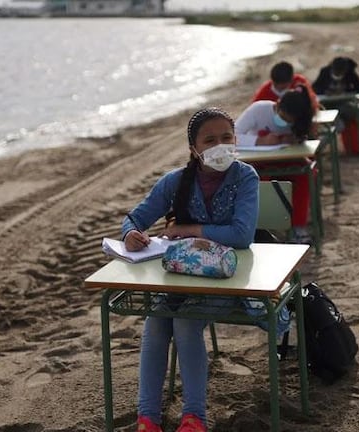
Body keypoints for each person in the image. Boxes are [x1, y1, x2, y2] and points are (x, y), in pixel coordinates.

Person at [122, 107, 287, 432]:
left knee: (184, 322)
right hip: (180, 278)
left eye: (226, 137)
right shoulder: (174, 182)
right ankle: (147, 419)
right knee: (155, 323)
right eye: (210, 140)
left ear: (236, 139)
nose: (220, 145)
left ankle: (194, 417)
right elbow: (134, 218)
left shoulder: (245, 177)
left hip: (228, 281)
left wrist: (188, 230)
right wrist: (130, 234)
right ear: (194, 149)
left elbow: (241, 236)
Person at [234, 85, 315, 243]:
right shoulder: (259, 110)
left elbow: (305, 140)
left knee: (305, 174)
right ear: (277, 105)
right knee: (258, 184)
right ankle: (264, 227)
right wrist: (259, 141)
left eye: (289, 122)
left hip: (286, 161)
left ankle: (299, 227)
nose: (284, 123)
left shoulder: (301, 120)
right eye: (282, 117)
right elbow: (233, 135)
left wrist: (294, 139)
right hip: (258, 161)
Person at [312, 56, 359, 153]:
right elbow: (314, 90)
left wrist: (346, 92)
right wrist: (326, 92)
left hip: (346, 106)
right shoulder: (325, 72)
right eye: (336, 72)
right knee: (339, 126)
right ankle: (317, 149)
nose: (338, 74)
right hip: (329, 109)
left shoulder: (350, 73)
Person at [252, 61, 319, 113]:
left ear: (291, 80)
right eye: (275, 85)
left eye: (282, 87)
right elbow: (254, 112)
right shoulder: (264, 93)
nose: (278, 88)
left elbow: (313, 103)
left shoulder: (300, 83)